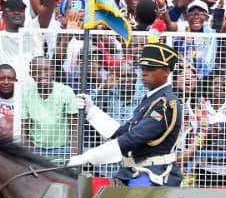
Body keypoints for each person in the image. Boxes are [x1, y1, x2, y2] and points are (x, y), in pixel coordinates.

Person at [69, 41, 184, 187]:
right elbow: (123, 132)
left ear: (166, 71)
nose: (144, 73)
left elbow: (134, 138)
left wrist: (89, 157)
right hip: (136, 171)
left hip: (154, 175)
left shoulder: (165, 104)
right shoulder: (151, 99)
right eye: (142, 68)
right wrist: (92, 112)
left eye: (150, 68)